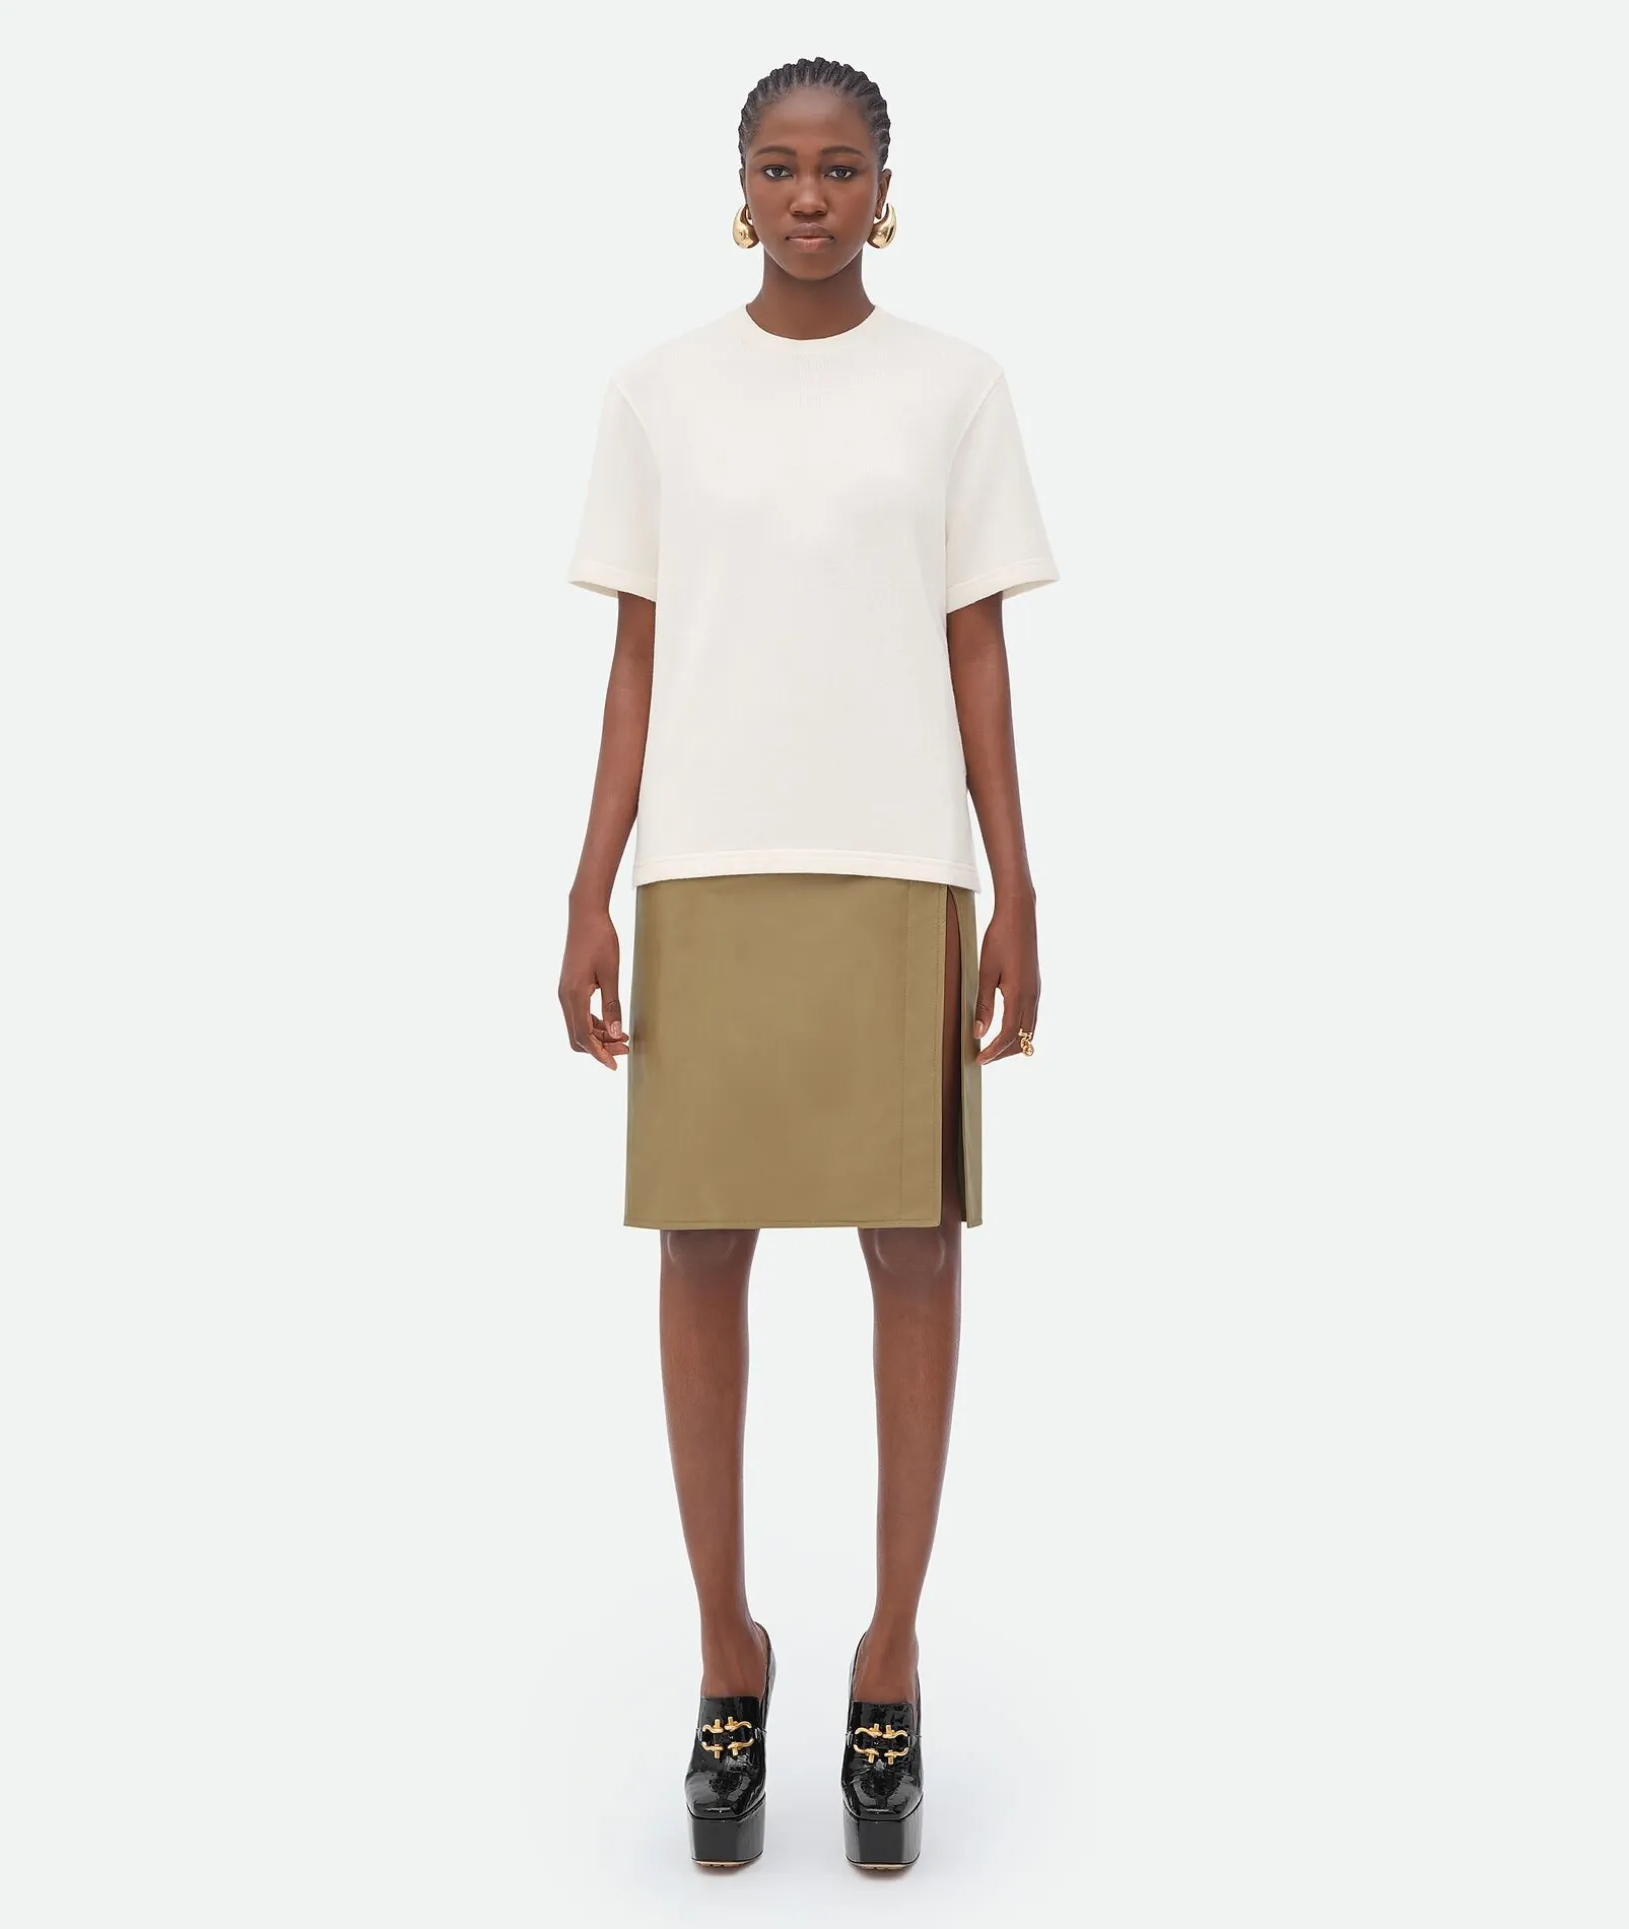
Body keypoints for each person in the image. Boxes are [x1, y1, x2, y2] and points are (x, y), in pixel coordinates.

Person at [559, 56, 1057, 1872]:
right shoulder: (658, 394)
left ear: (884, 190)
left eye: (840, 168)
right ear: (740, 185)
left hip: (898, 865)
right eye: (778, 166)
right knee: (702, 1247)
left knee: (912, 1245)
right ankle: (727, 1658)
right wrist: (588, 888)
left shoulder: (955, 390)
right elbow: (635, 658)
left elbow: (977, 652)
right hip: (706, 865)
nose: (808, 197)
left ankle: (888, 1662)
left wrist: (1015, 885)